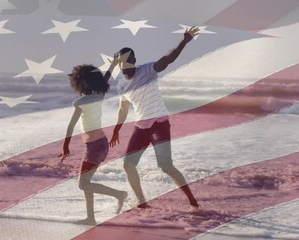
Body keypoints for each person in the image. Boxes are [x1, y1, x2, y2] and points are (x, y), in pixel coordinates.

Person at [109, 27, 200, 208]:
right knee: (128, 165)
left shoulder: (148, 70)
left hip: (159, 124)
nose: (125, 70)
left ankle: (193, 202)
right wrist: (116, 130)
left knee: (166, 165)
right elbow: (123, 108)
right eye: (122, 67)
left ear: (134, 61)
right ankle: (142, 202)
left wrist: (184, 41)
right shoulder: (121, 85)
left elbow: (168, 59)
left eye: (127, 65)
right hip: (141, 127)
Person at [59, 64, 127, 225]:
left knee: (83, 184)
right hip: (101, 143)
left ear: (80, 83)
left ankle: (119, 194)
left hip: (94, 146)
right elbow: (105, 79)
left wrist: (65, 146)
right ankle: (91, 217)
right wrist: (113, 64)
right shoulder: (100, 95)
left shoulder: (80, 102)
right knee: (87, 183)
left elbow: (71, 126)